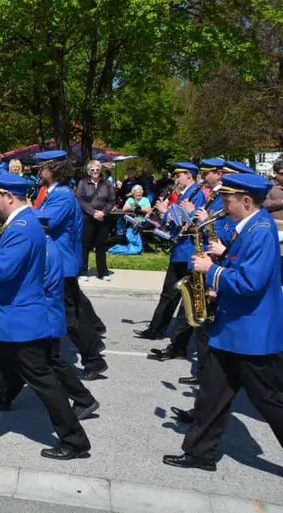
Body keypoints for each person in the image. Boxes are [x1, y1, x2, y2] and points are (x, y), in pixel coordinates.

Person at [0, 174, 90, 459]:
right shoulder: (25, 223)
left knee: (44, 381)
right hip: (10, 318)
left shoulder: (21, 227)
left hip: (20, 320)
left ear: (9, 197)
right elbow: (8, 268)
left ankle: (74, 440)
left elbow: (3, 270)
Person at [163, 173, 283, 471]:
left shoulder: (261, 231)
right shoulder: (251, 226)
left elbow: (251, 281)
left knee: (269, 400)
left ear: (246, 200)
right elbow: (243, 269)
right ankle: (199, 454)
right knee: (212, 394)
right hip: (231, 329)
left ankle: (199, 452)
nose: (224, 206)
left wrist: (212, 270)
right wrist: (221, 274)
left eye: (228, 201)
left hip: (250, 333)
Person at [0, 213, 100, 420]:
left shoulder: (44, 250)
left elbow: (36, 284)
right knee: (25, 360)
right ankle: (5, 397)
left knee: (48, 361)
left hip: (45, 316)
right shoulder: (49, 245)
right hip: (48, 314)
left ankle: (84, 399)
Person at [35, 151, 107, 381]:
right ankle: (91, 349)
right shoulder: (55, 193)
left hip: (62, 263)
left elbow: (48, 222)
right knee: (73, 310)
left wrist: (22, 212)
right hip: (58, 262)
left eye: (42, 167)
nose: (39, 171)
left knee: (70, 316)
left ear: (53, 170)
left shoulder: (63, 195)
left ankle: (94, 360)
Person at [135, 162, 206, 341]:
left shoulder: (196, 194)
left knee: (181, 296)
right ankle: (156, 329)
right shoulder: (183, 193)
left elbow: (189, 222)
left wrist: (165, 212)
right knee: (168, 293)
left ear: (189, 175)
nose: (176, 179)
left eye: (179, 175)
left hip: (188, 250)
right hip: (179, 248)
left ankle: (175, 339)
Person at [76, 160, 115, 281]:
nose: (95, 172)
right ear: (89, 171)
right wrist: (93, 213)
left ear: (100, 170)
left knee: (101, 245)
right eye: (92, 170)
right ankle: (83, 271)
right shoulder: (83, 183)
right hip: (88, 217)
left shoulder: (107, 184)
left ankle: (102, 272)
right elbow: (80, 199)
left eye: (97, 169)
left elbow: (112, 200)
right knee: (85, 245)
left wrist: (103, 212)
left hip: (103, 217)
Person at [109, 185, 151, 255]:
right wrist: (133, 207)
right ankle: (135, 244)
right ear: (133, 194)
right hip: (132, 221)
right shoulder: (130, 200)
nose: (139, 194)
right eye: (137, 192)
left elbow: (148, 210)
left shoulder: (145, 199)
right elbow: (124, 209)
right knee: (133, 226)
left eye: (140, 192)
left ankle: (139, 245)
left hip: (143, 221)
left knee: (139, 226)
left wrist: (139, 210)